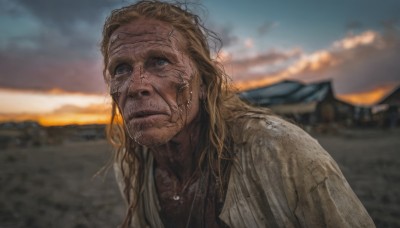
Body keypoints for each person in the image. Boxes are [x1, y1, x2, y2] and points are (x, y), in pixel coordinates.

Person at [100, 1, 375, 227]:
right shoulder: (131, 166)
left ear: (204, 84)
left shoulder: (282, 152)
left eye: (159, 61)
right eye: (121, 69)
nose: (135, 86)